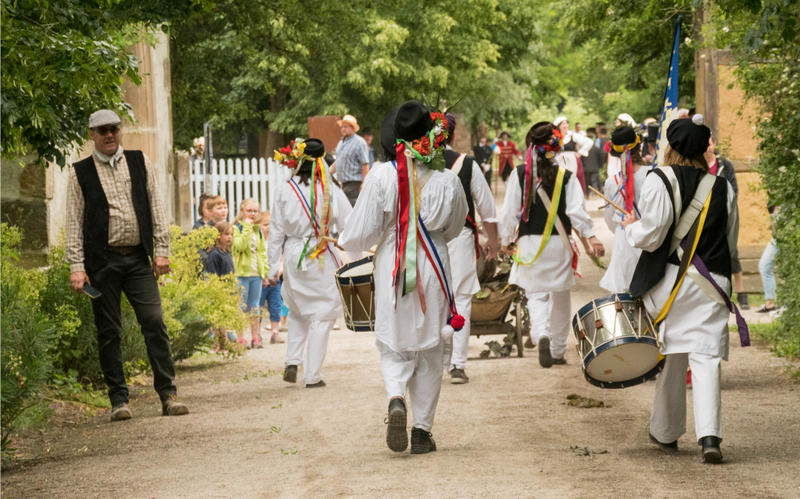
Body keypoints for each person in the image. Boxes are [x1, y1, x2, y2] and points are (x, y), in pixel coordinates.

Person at [339, 101, 468, 454]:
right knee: (430, 348)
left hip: (394, 266)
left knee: (393, 342)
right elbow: (456, 227)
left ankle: (396, 396)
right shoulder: (448, 180)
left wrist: (358, 245)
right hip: (435, 265)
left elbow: (360, 233)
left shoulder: (381, 176)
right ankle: (422, 432)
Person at [621, 118, 741, 464]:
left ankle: (665, 431)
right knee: (705, 357)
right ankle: (709, 437)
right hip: (712, 284)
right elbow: (729, 241)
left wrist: (631, 229)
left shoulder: (659, 179)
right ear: (705, 150)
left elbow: (653, 234)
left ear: (670, 147)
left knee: (673, 355)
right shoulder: (721, 186)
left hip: (671, 283)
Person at [66, 109, 188, 420]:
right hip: (102, 263)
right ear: (91, 134)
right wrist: (76, 266)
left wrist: (162, 250)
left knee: (155, 322)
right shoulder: (79, 172)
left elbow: (157, 207)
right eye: (102, 130)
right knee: (109, 331)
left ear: (120, 131)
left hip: (137, 258)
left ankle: (168, 394)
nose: (109, 135)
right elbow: (73, 222)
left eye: (114, 129)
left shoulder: (139, 161)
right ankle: (119, 400)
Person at [500, 121, 604, 368]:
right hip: (559, 245)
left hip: (530, 244)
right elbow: (577, 213)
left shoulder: (519, 175)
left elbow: (510, 213)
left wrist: (506, 240)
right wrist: (591, 236)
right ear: (555, 147)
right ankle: (557, 350)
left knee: (536, 296)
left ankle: (541, 335)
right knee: (561, 296)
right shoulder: (566, 177)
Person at [269, 138, 352, 388]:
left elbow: (275, 231)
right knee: (322, 313)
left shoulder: (285, 188)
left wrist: (273, 266)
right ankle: (312, 375)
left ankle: (292, 361)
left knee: (297, 309)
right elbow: (348, 223)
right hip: (321, 252)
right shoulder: (331, 189)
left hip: (294, 252)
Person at [442, 114, 499, 384]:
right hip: (461, 239)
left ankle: (435, 361)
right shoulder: (466, 163)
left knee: (431, 302)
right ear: (453, 136)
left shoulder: (414, 163)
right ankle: (457, 365)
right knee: (461, 300)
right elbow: (487, 209)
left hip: (425, 242)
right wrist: (494, 243)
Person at [599, 126, 649, 293]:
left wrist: (626, 228)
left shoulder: (612, 182)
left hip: (624, 240)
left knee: (623, 295)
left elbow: (609, 219)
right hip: (651, 238)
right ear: (639, 146)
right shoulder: (655, 174)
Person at [704, 135, 748, 309]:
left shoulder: (724, 165)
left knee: (732, 254)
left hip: (724, 216)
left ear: (714, 143)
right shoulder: (698, 165)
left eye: (708, 144)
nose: (707, 148)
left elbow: (733, 189)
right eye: (704, 145)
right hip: (706, 219)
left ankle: (742, 293)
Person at [232, 198, 269, 349]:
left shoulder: (258, 231)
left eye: (255, 211)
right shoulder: (236, 229)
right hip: (241, 273)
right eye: (249, 211)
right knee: (241, 306)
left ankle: (256, 337)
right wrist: (246, 227)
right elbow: (240, 246)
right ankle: (240, 337)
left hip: (256, 274)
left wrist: (264, 273)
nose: (253, 214)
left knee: (255, 307)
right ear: (242, 211)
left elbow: (262, 253)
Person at [203, 221, 239, 350]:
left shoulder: (227, 252)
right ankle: (217, 344)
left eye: (231, 234)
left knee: (225, 317)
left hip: (229, 290)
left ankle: (224, 343)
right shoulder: (214, 254)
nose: (230, 237)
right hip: (219, 291)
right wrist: (218, 290)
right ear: (218, 236)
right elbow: (213, 275)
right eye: (226, 234)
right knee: (218, 319)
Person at [257, 211, 284, 345]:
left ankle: (275, 333)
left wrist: (277, 273)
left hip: (275, 281)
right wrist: (264, 277)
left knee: (275, 306)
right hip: (261, 281)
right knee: (258, 307)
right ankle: (257, 334)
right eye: (265, 224)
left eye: (271, 225)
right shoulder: (257, 242)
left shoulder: (276, 242)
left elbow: (281, 260)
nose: (269, 228)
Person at [333, 114, 370, 206]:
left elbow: (365, 164)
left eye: (345, 127)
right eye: (342, 126)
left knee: (351, 211)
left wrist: (364, 183)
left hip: (354, 184)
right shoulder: (341, 142)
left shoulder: (359, 142)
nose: (343, 129)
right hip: (343, 184)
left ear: (353, 128)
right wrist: (327, 173)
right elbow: (338, 161)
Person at [553, 116, 594, 192]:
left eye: (566, 123)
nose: (566, 126)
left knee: (571, 180)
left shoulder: (572, 135)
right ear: (558, 126)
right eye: (563, 124)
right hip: (559, 162)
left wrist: (580, 153)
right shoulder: (555, 138)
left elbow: (589, 142)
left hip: (571, 162)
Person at [757, 204, 779, 313]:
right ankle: (770, 302)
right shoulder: (773, 191)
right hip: (778, 234)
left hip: (781, 233)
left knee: (765, 265)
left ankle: (771, 303)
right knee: (764, 266)